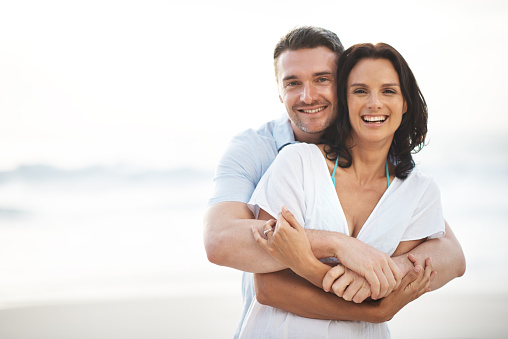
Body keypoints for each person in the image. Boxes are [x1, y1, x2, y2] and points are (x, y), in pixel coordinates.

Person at [203, 26, 465, 338]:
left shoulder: (402, 181)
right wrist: (341, 248)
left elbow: (449, 253)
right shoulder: (270, 154)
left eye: (322, 79)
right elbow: (222, 243)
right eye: (293, 83)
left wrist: (387, 273)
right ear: (279, 92)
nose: (308, 96)